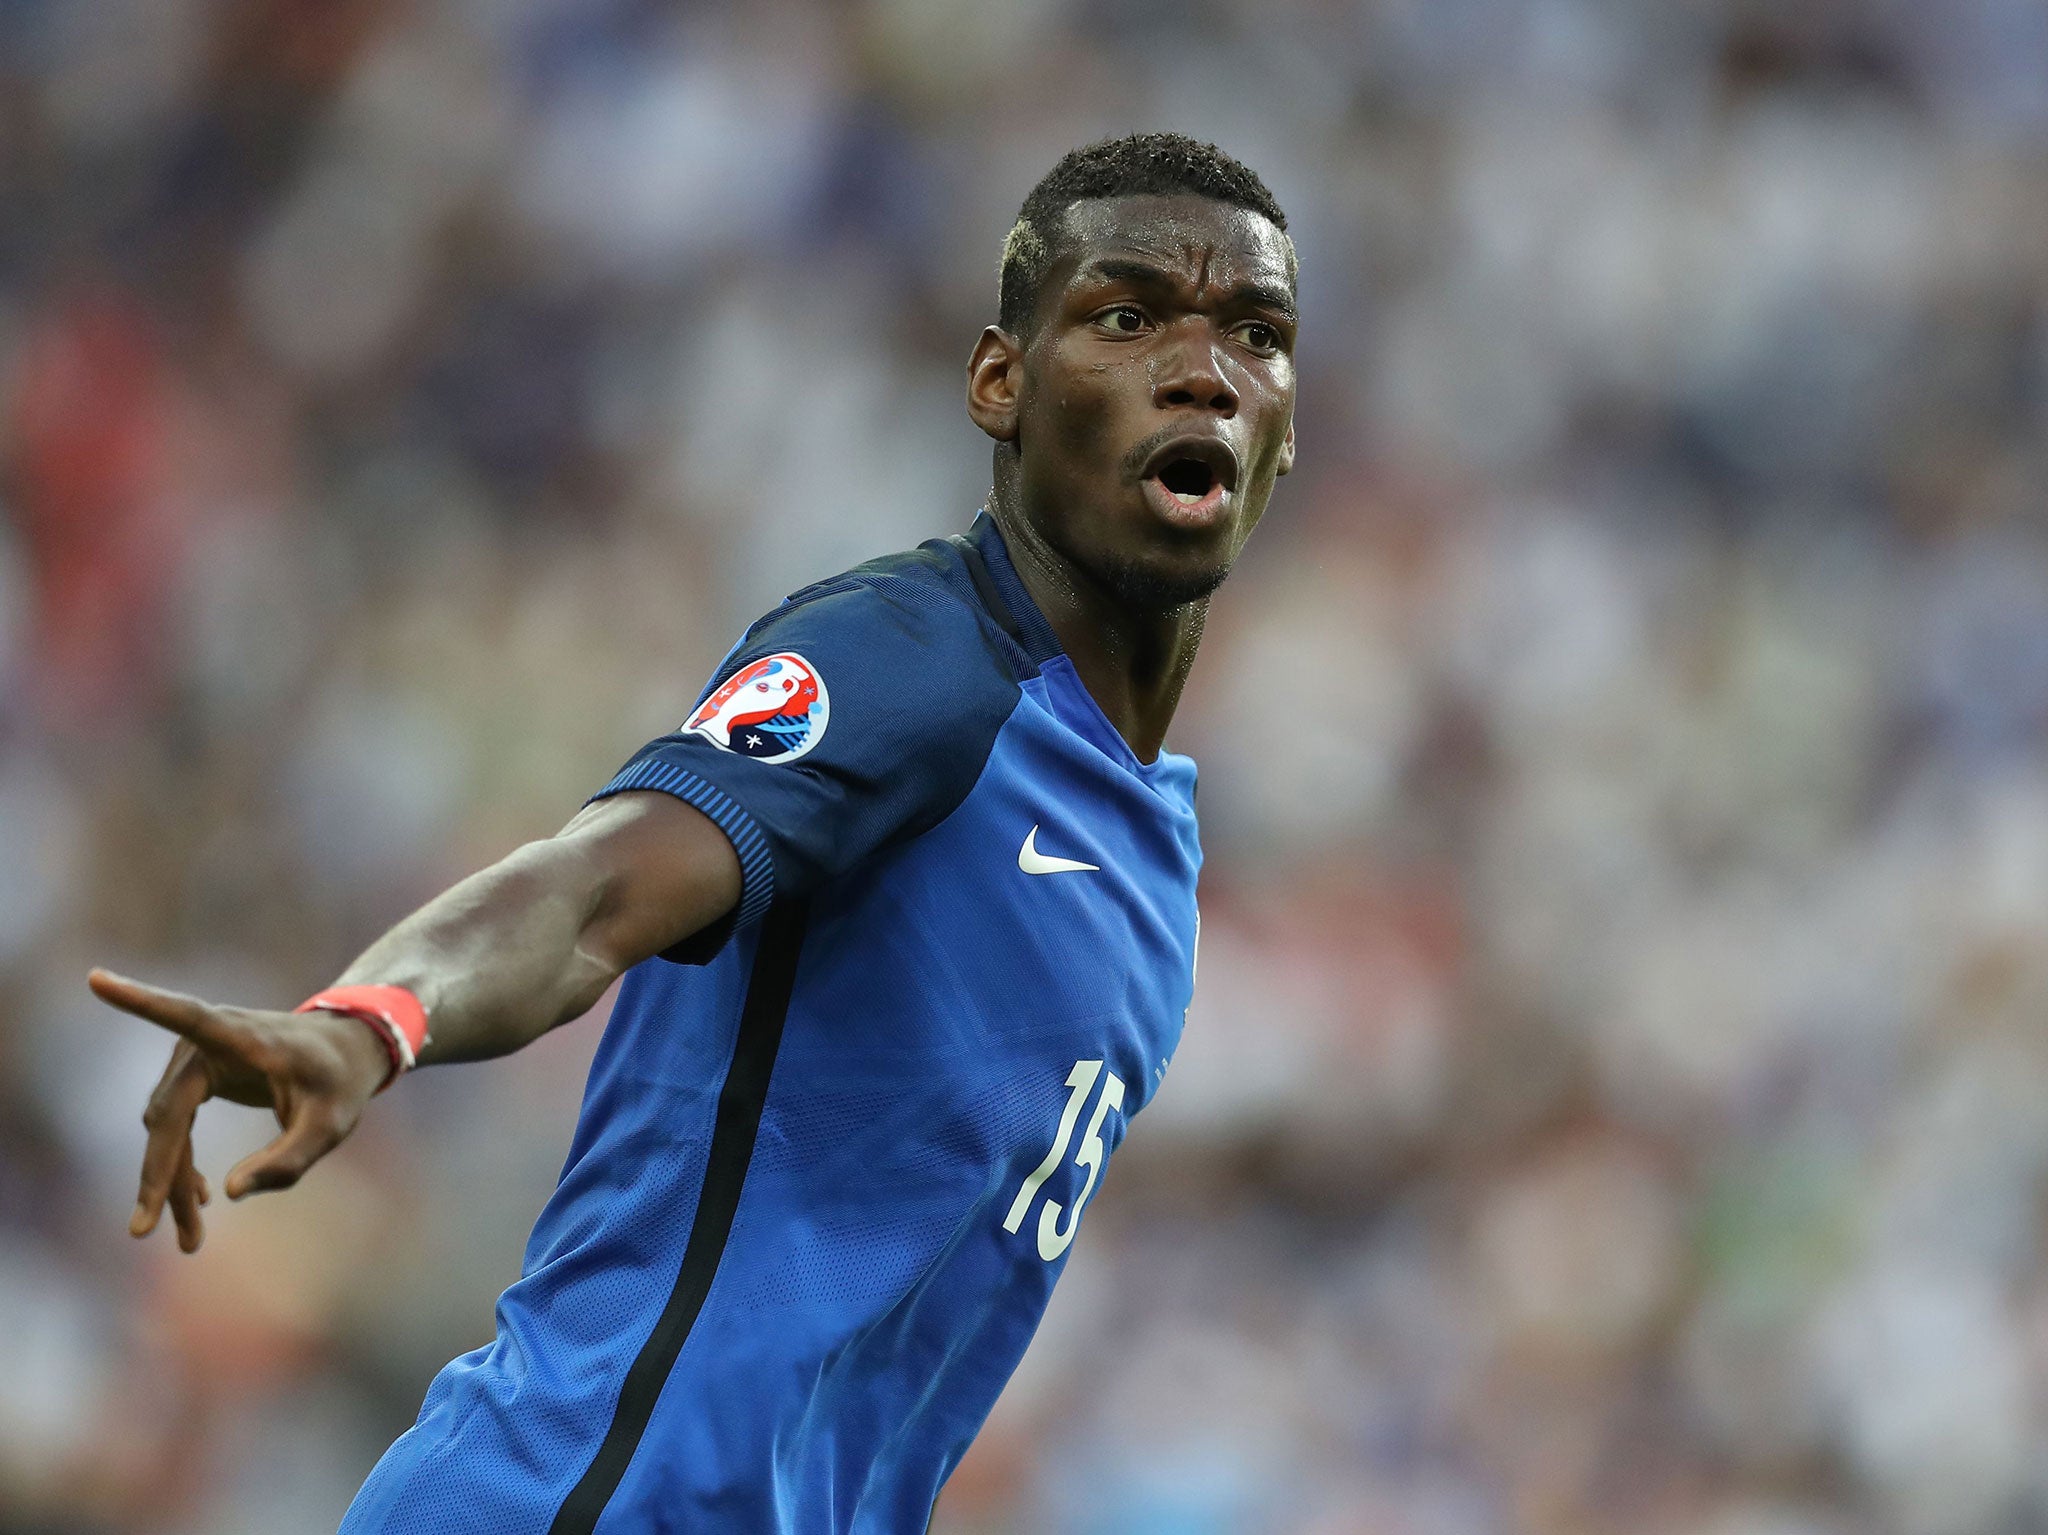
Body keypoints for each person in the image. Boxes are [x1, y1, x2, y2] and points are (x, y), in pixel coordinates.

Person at [90, 131, 1299, 1534]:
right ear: (1000, 384)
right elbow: (600, 881)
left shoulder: (1154, 848)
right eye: (1129, 317)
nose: (1202, 369)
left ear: (1288, 431)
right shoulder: (919, 664)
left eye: (1256, 334)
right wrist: (374, 1018)